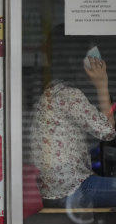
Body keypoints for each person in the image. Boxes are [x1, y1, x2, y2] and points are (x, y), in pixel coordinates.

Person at [31, 27, 116, 208]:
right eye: (92, 56)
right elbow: (108, 133)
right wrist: (102, 84)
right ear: (76, 58)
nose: (96, 62)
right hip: (71, 191)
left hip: (57, 189)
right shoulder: (68, 94)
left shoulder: (53, 90)